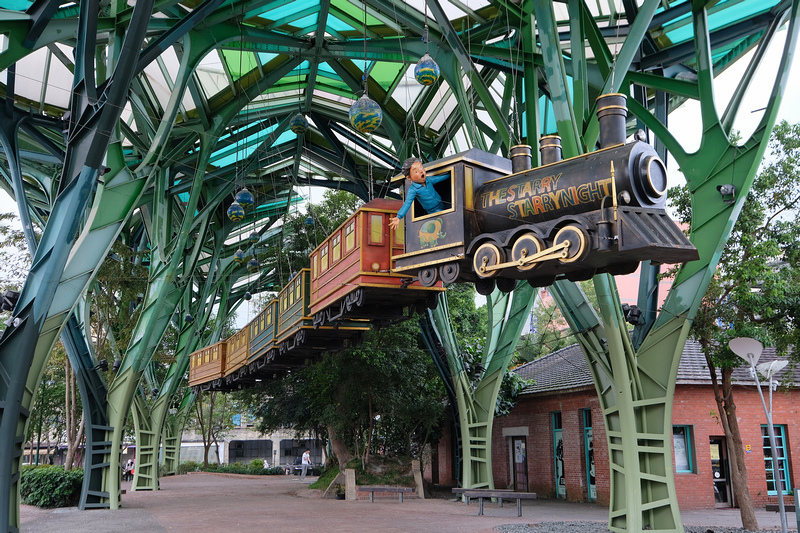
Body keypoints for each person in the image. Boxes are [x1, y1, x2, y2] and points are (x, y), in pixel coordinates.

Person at [389, 158, 447, 230]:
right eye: (416, 171)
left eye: (422, 168)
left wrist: (452, 174)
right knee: (443, 221)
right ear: (409, 177)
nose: (421, 171)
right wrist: (399, 216)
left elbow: (439, 178)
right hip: (434, 211)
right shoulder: (413, 189)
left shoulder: (428, 180)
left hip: (442, 204)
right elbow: (407, 203)